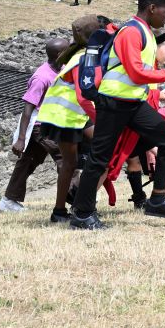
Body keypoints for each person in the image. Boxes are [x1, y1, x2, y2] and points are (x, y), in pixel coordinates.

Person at [70, 0, 165, 230]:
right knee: (100, 158)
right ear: (152, 8)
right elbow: (136, 73)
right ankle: (82, 214)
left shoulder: (146, 33)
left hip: (132, 103)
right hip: (113, 103)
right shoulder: (131, 32)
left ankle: (158, 200)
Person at [37, 17, 104, 224]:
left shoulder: (82, 54)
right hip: (64, 116)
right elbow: (83, 95)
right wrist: (100, 120)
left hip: (75, 115)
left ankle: (76, 203)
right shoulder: (84, 58)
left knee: (103, 155)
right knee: (71, 163)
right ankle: (64, 210)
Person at [0, 37, 70, 213]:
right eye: (68, 50)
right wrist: (21, 139)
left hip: (52, 121)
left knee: (29, 160)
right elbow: (28, 109)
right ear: (60, 54)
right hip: (41, 125)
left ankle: (9, 200)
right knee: (66, 158)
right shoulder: (41, 77)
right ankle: (77, 199)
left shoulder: (61, 68)